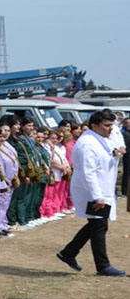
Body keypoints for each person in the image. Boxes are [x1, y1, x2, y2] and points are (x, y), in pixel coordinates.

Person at [57, 110, 125, 276]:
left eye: (112, 125)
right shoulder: (88, 143)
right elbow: (89, 172)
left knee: (97, 224)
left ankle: (68, 253)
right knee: (99, 225)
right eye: (107, 125)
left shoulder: (99, 139)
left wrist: (114, 153)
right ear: (94, 126)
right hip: (91, 190)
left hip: (101, 188)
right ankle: (103, 266)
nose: (110, 129)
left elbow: (106, 154)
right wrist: (97, 196)